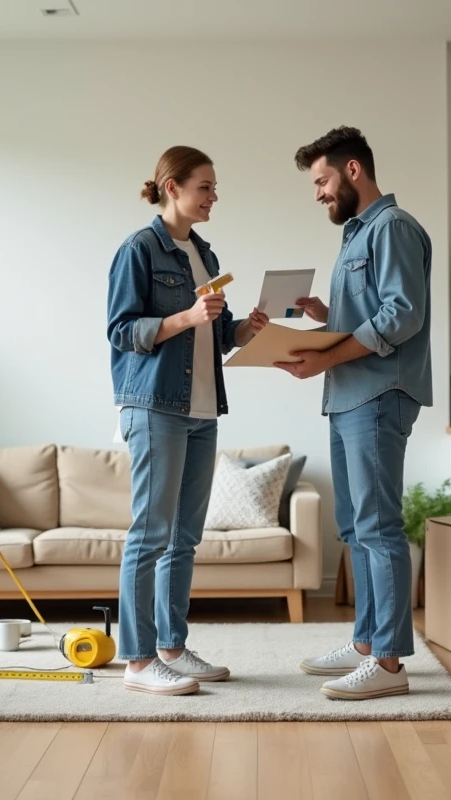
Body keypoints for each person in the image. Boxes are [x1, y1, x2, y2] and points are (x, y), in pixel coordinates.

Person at [276, 127, 432, 700]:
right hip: (348, 396)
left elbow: (401, 316)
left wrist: (324, 359)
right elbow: (365, 319)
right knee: (356, 528)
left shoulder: (392, 227)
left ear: (352, 172)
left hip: (377, 395)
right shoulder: (356, 235)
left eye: (321, 180)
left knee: (379, 527)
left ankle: (389, 665)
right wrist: (326, 315)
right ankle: (368, 643)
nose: (318, 193)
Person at [107, 146, 267, 696]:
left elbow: (214, 336)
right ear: (172, 187)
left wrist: (246, 328)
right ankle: (137, 660)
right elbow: (122, 330)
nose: (213, 196)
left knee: (183, 538)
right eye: (205, 186)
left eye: (215, 187)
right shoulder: (140, 250)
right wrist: (185, 315)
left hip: (202, 409)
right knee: (149, 536)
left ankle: (171, 648)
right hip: (154, 407)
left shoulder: (204, 252)